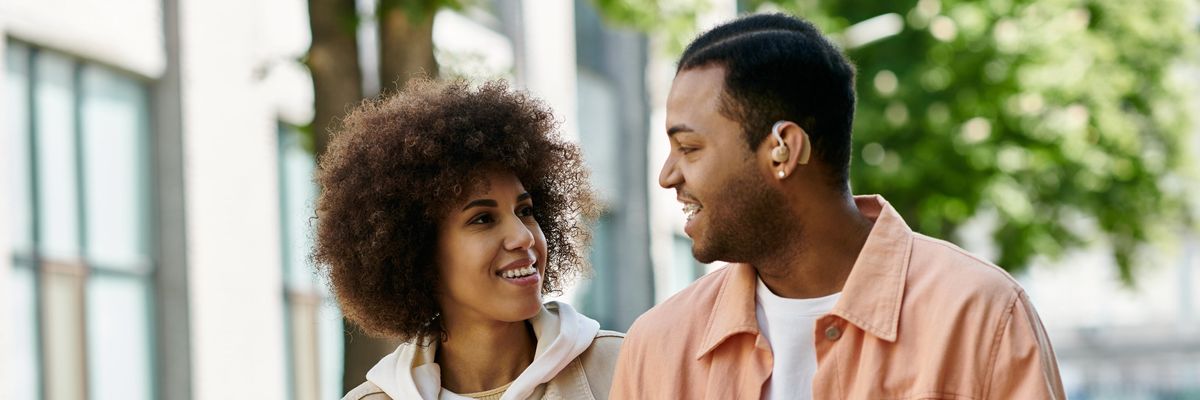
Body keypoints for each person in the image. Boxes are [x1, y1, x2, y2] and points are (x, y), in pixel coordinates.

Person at [611, 13, 1065, 399]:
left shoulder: (980, 315)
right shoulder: (658, 346)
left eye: (689, 148)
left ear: (783, 150)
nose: (667, 176)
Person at [314, 78, 622, 400]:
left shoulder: (623, 366)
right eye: (483, 219)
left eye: (526, 210)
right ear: (419, 250)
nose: (523, 237)